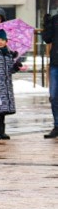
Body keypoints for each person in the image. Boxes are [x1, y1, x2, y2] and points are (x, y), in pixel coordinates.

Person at [45, 9, 58, 139]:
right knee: (54, 96)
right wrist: (47, 24)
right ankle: (57, 125)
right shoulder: (55, 20)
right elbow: (47, 39)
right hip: (55, 63)